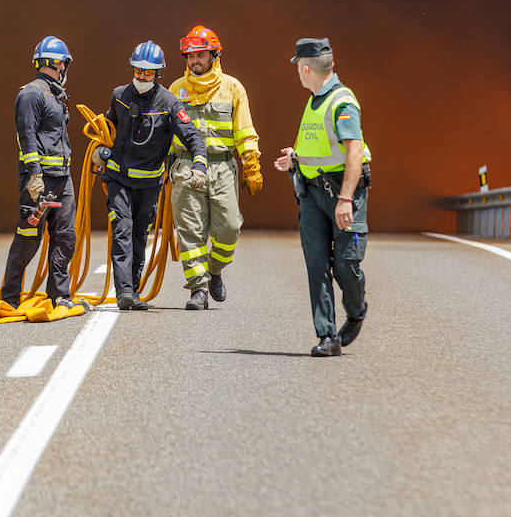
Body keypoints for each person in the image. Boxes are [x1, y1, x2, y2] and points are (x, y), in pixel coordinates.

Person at [273, 38, 371, 357]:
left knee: (345, 266)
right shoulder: (315, 100)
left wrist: (345, 200)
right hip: (313, 194)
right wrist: (295, 158)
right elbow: (321, 147)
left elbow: (354, 152)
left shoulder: (342, 102)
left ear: (305, 69)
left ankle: (355, 312)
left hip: (343, 192)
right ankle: (328, 335)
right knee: (316, 263)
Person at [101, 41, 208, 310]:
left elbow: (193, 137)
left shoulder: (170, 104)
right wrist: (100, 151)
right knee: (123, 231)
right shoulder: (119, 95)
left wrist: (200, 165)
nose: (141, 76)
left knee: (139, 236)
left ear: (158, 73)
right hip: (118, 179)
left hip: (149, 184)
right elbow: (107, 128)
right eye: (138, 70)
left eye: (148, 72)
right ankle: (125, 292)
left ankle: (134, 290)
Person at [167, 25, 262, 310]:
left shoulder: (232, 88)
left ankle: (214, 269)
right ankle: (198, 290)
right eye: (190, 56)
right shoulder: (176, 89)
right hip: (186, 167)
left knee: (230, 228)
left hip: (221, 167)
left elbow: (244, 129)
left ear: (214, 55)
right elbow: (166, 135)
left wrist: (251, 163)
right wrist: (164, 169)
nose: (195, 60)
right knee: (190, 231)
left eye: (201, 55)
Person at [0, 37, 79, 311]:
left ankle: (59, 295)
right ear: (60, 64)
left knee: (65, 237)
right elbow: (27, 136)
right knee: (28, 238)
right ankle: (10, 298)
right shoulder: (31, 94)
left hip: (62, 177)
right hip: (41, 179)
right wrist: (34, 175)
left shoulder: (55, 94)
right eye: (65, 64)